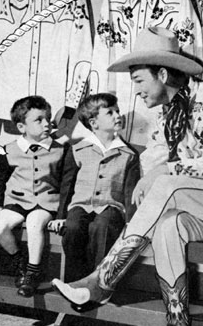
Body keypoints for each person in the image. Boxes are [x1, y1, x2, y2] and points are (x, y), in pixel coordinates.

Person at [51, 27, 203, 326]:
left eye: (138, 81)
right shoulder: (165, 112)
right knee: (169, 227)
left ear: (163, 73)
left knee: (168, 185)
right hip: (201, 207)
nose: (135, 91)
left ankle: (102, 281)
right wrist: (157, 170)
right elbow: (153, 157)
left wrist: (163, 170)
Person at [49, 93, 140, 283]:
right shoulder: (78, 149)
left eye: (118, 111)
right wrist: (61, 217)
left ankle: (98, 282)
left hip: (111, 207)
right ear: (94, 122)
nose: (117, 116)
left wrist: (132, 223)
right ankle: (75, 283)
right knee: (73, 227)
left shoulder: (129, 154)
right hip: (80, 205)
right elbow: (68, 185)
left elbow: (130, 192)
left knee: (103, 226)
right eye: (110, 113)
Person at [0, 96, 69, 298]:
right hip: (17, 201)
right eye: (39, 120)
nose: (47, 124)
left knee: (34, 221)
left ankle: (33, 273)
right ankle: (20, 265)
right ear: (21, 126)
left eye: (48, 118)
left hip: (46, 202)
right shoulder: (8, 150)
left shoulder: (61, 149)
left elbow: (67, 183)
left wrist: (61, 214)